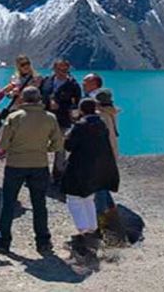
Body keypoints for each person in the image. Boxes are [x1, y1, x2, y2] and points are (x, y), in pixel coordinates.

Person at [0, 87, 64, 253]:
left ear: (22, 99)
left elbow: (3, 144)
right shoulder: (50, 117)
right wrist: (44, 149)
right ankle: (43, 241)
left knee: (8, 202)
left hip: (15, 164)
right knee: (39, 203)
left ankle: (3, 241)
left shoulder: (14, 117)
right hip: (39, 164)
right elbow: (58, 144)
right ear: (39, 99)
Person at [62, 98, 120, 256]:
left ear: (81, 110)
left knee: (74, 199)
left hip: (79, 167)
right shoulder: (101, 124)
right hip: (97, 168)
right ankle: (92, 229)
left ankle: (83, 233)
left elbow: (69, 145)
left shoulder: (80, 126)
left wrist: (68, 133)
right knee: (88, 198)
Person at [40, 59, 81, 183]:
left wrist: (62, 107)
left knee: (60, 148)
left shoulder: (73, 85)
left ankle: (58, 176)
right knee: (40, 145)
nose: (62, 71)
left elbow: (76, 105)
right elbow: (41, 97)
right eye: (59, 69)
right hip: (44, 119)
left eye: (65, 69)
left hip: (62, 120)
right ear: (54, 68)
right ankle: (39, 173)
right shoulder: (47, 81)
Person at [93, 89, 120, 218]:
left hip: (102, 153)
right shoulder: (111, 112)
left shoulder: (100, 116)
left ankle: (101, 215)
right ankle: (111, 207)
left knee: (99, 183)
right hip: (111, 150)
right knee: (102, 181)